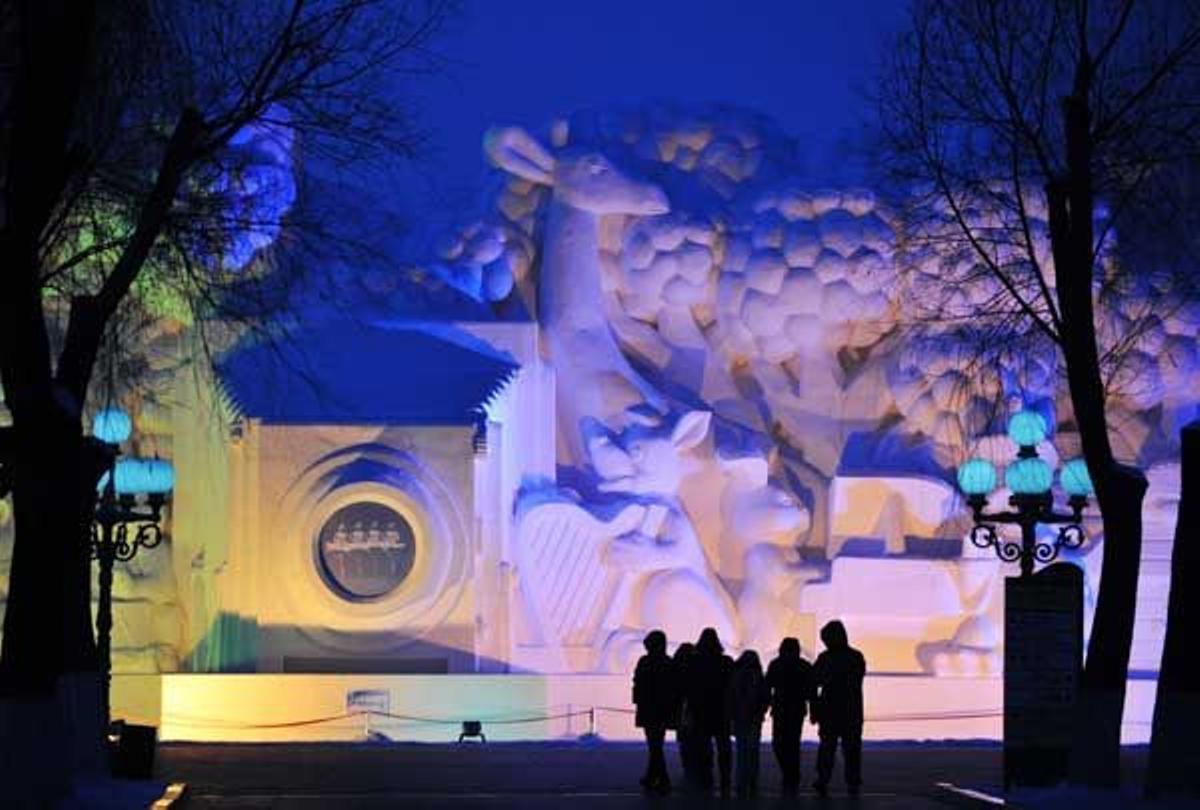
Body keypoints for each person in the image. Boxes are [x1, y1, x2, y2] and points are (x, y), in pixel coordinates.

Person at [811, 620, 866, 797]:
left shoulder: (825, 658)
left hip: (829, 711)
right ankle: (853, 782)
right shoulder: (856, 657)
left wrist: (815, 708)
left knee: (827, 748)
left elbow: (815, 681)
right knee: (851, 750)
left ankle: (823, 779)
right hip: (852, 711)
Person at [766, 637, 815, 796]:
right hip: (797, 710)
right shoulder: (804, 666)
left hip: (780, 709)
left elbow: (767, 687)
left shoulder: (775, 665)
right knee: (792, 744)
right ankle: (792, 776)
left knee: (778, 743)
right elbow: (811, 691)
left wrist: (763, 706)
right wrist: (814, 710)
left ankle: (789, 775)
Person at [689, 627, 734, 797]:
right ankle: (725, 779)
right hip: (721, 711)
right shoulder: (726, 662)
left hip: (701, 710)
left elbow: (689, 687)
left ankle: (706, 778)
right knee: (724, 747)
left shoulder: (694, 662)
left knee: (703, 747)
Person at [633, 629, 677, 794]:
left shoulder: (645, 662)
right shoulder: (668, 662)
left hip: (649, 709)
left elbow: (639, 683)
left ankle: (661, 778)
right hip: (662, 710)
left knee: (654, 745)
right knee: (656, 744)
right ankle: (653, 776)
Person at [727, 650, 770, 798]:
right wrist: (761, 711)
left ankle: (741, 782)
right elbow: (765, 697)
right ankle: (752, 781)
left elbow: (731, 697)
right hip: (754, 719)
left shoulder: (735, 676)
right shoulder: (758, 676)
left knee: (742, 751)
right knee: (752, 751)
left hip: (740, 718)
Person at [671, 641, 701, 791]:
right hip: (695, 710)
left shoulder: (675, 669)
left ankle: (688, 768)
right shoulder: (697, 669)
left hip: (681, 711)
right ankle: (696, 769)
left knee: (684, 741)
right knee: (695, 741)